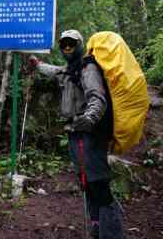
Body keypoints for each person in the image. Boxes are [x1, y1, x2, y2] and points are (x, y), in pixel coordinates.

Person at [28, 29, 124, 239]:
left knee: (98, 182)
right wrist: (37, 66)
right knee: (86, 182)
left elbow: (97, 97)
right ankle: (97, 226)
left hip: (89, 132)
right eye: (64, 45)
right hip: (75, 132)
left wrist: (89, 118)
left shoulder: (87, 68)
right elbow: (55, 71)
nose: (67, 47)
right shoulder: (71, 69)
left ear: (80, 45)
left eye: (71, 43)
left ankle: (113, 233)